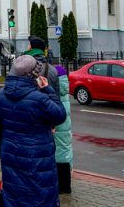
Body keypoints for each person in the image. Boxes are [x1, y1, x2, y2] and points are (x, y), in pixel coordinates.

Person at [0, 55, 66, 206]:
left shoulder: (2, 94)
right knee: (39, 194)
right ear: (34, 74)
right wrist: (48, 89)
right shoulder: (39, 98)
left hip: (10, 154)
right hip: (37, 156)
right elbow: (60, 115)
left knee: (13, 195)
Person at [54, 64, 73, 194]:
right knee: (65, 151)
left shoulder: (53, 90)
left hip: (57, 125)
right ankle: (66, 186)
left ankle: (61, 186)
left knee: (58, 153)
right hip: (65, 126)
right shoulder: (65, 90)